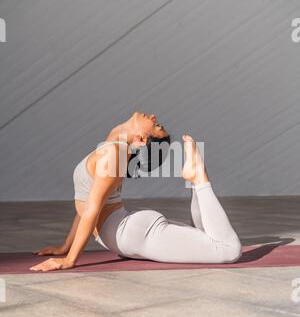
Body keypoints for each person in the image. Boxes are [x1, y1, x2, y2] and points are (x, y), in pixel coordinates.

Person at [31, 111, 242, 271]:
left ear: (141, 139)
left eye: (156, 125)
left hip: (129, 234)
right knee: (205, 236)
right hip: (127, 230)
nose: (153, 116)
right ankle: (196, 183)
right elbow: (85, 204)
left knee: (228, 249)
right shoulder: (111, 147)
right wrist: (65, 247)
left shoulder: (113, 153)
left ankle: (199, 179)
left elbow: (92, 210)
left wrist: (69, 260)